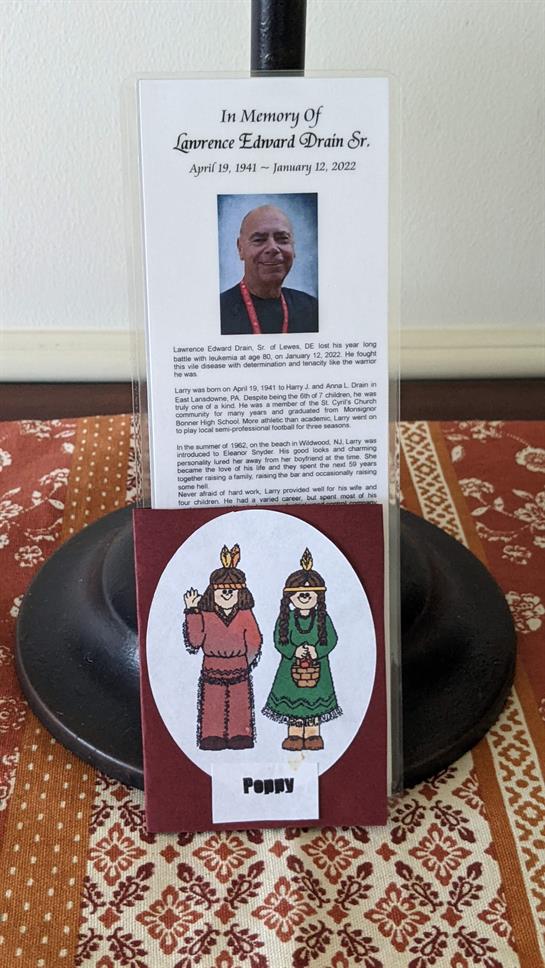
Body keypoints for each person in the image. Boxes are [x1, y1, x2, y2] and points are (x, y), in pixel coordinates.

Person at [183, 544, 262, 750]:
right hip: (212, 666)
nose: (226, 595)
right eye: (222, 591)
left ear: (240, 594)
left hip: (239, 667)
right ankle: (211, 736)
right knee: (213, 703)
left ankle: (240, 735)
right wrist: (192, 611)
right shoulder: (206, 615)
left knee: (240, 703)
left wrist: (247, 661)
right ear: (212, 593)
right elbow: (195, 641)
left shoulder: (245, 615)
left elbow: (254, 640)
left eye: (231, 591)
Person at [262, 548, 342, 751]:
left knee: (315, 701)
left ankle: (313, 734)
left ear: (318, 597)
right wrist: (293, 651)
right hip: (290, 669)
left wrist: (317, 651)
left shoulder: (323, 618)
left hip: (318, 668)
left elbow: (332, 639)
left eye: (309, 594)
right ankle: (295, 734)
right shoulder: (286, 619)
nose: (304, 597)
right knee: (293, 701)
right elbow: (278, 640)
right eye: (299, 594)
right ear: (290, 597)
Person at [220, 204, 318, 335]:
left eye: (282, 239)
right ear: (240, 248)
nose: (273, 248)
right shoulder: (219, 311)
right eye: (259, 240)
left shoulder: (311, 309)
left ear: (293, 247)